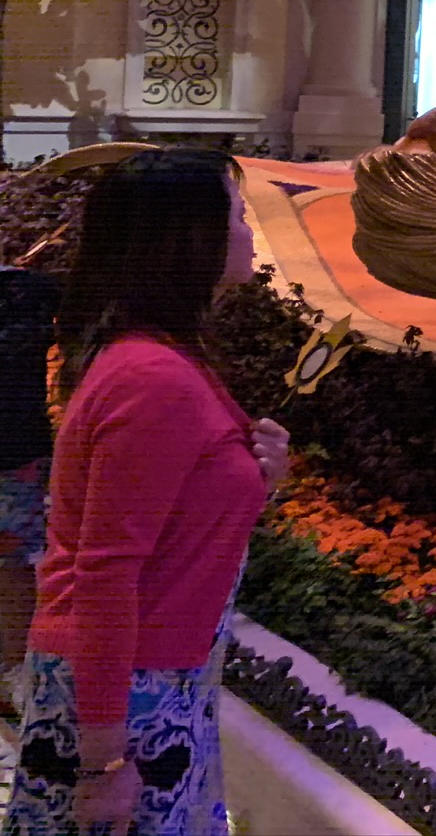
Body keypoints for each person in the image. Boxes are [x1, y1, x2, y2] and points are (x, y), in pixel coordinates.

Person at [4, 148, 291, 836]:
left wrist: (260, 479)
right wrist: (103, 763)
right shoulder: (152, 378)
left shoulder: (167, 357)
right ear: (189, 239)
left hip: (154, 683)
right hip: (126, 699)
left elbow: (175, 524)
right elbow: (105, 574)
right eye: (238, 215)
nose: (250, 232)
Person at [0, 262, 61, 684]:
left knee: (13, 561)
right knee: (12, 562)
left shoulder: (28, 291)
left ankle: (12, 668)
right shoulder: (30, 292)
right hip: (17, 451)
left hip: (14, 454)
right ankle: (12, 669)